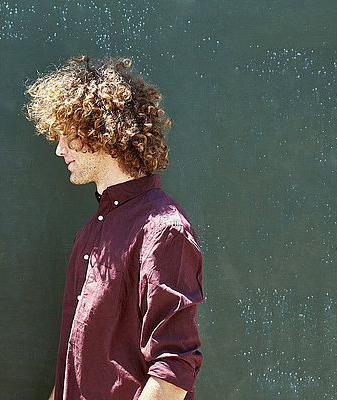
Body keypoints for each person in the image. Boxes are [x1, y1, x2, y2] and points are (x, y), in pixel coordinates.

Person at [25, 56, 203, 400]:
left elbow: (173, 371)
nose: (60, 149)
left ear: (102, 133)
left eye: (68, 136)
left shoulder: (163, 230)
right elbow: (76, 363)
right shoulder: (89, 233)